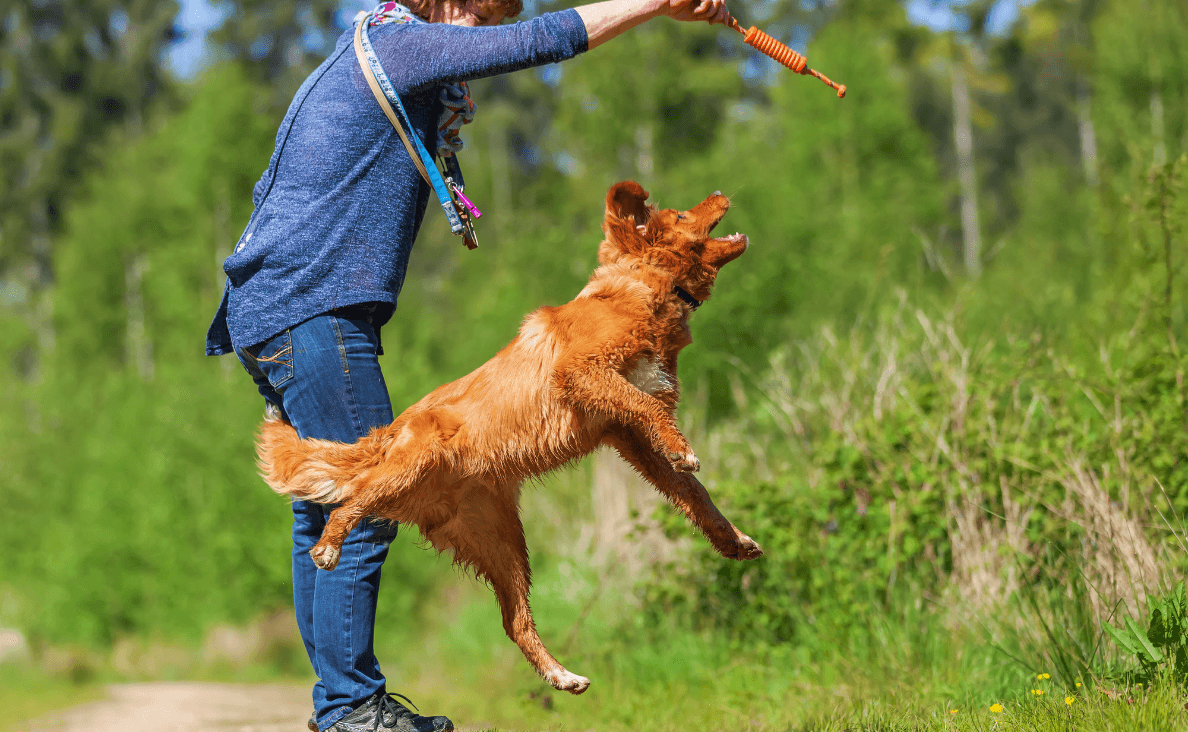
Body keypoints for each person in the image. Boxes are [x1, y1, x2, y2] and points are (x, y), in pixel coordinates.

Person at [205, 0, 728, 729]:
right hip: (312, 312)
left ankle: (341, 707)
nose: (488, 26)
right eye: (485, 10)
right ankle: (353, 712)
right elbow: (545, 39)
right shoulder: (401, 46)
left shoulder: (364, 49)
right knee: (374, 498)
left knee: (325, 508)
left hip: (272, 312)